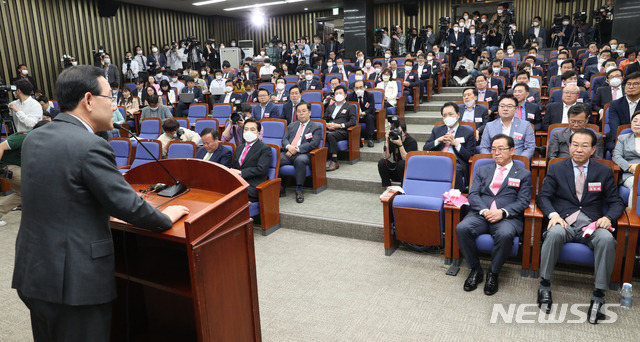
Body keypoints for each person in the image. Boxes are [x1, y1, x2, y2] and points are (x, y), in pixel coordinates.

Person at [13, 65, 189, 342]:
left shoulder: (35, 137)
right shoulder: (90, 145)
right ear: (89, 100)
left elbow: (65, 191)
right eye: (111, 97)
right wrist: (166, 216)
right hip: (74, 281)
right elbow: (127, 206)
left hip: (34, 271)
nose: (115, 105)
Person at [536, 128, 624, 323]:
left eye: (584, 146)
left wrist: (608, 218)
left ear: (593, 149)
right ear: (569, 146)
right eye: (575, 145)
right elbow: (543, 197)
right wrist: (553, 215)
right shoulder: (557, 168)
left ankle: (599, 295)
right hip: (564, 220)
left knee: (607, 239)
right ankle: (544, 285)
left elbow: (616, 202)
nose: (578, 149)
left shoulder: (604, 171)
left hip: (592, 224)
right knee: (553, 233)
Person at [456, 134, 532, 295]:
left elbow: (523, 201)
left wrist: (502, 212)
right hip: (481, 213)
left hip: (507, 217)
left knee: (505, 234)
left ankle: (493, 273)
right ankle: (476, 269)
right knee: (462, 228)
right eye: (493, 149)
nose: (496, 153)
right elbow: (473, 194)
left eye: (501, 149)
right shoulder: (483, 170)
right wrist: (484, 210)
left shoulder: (523, 174)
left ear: (512, 150)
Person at [0, 120, 48, 227]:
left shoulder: (41, 140)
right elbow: (1, 147)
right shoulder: (23, 137)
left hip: (17, 166)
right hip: (4, 166)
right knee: (31, 184)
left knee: (22, 193)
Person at [423, 102, 476, 189]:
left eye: (450, 114)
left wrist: (456, 144)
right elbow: (425, 148)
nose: (447, 117)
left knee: (454, 170)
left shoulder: (468, 132)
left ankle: (455, 198)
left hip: (456, 162)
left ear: (458, 115)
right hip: (437, 160)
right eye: (444, 115)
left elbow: (469, 156)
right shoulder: (437, 130)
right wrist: (438, 140)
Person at [279, 102, 322, 203]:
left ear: (309, 113)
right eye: (298, 111)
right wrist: (289, 147)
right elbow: (284, 140)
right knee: (275, 159)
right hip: (289, 152)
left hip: (303, 154)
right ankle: (280, 186)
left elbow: (313, 144)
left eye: (304, 111)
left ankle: (299, 189)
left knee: (300, 160)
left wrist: (296, 149)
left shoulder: (316, 127)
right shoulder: (292, 125)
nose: (301, 113)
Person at [479, 95, 535, 160]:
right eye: (502, 106)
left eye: (509, 106)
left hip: (517, 162)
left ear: (516, 109)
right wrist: (490, 160)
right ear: (498, 108)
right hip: (494, 162)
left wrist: (520, 160)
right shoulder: (490, 126)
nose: (505, 109)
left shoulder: (525, 125)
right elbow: (484, 147)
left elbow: (530, 148)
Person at [229, 118, 272, 203]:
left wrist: (241, 173)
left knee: (232, 194)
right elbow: (235, 166)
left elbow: (261, 169)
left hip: (253, 185)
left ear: (258, 133)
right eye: (246, 129)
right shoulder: (239, 148)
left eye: (252, 130)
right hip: (238, 182)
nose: (248, 132)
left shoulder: (265, 149)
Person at [324, 85, 357, 171]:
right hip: (328, 129)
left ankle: (334, 160)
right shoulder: (330, 107)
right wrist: (326, 124)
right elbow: (324, 119)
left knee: (331, 136)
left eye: (340, 93)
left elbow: (353, 121)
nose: (338, 95)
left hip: (342, 130)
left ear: (345, 95)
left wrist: (339, 125)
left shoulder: (350, 106)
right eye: (336, 93)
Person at [378, 119, 417, 187]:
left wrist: (400, 145)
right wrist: (387, 140)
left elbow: (407, 159)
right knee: (382, 162)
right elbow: (385, 156)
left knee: (402, 163)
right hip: (397, 170)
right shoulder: (392, 140)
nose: (397, 134)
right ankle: (387, 188)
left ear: (405, 132)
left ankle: (404, 189)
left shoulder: (411, 142)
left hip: (408, 172)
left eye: (399, 132)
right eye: (394, 131)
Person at [612, 111, 640, 205]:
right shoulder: (623, 138)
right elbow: (616, 156)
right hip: (630, 173)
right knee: (636, 184)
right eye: (635, 121)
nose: (637, 124)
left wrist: (638, 167)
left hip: (637, 169)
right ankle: (633, 214)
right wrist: (629, 167)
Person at [607, 72, 640, 151]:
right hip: (619, 140)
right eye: (628, 84)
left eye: (635, 84)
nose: (631, 87)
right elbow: (616, 129)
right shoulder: (615, 104)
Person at [347, 80, 376, 147]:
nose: (359, 90)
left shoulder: (369, 95)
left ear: (364, 87)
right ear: (354, 89)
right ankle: (357, 140)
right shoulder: (350, 96)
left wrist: (364, 113)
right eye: (357, 88)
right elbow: (348, 107)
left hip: (366, 115)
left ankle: (370, 139)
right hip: (355, 116)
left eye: (361, 87)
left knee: (370, 117)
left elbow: (371, 108)